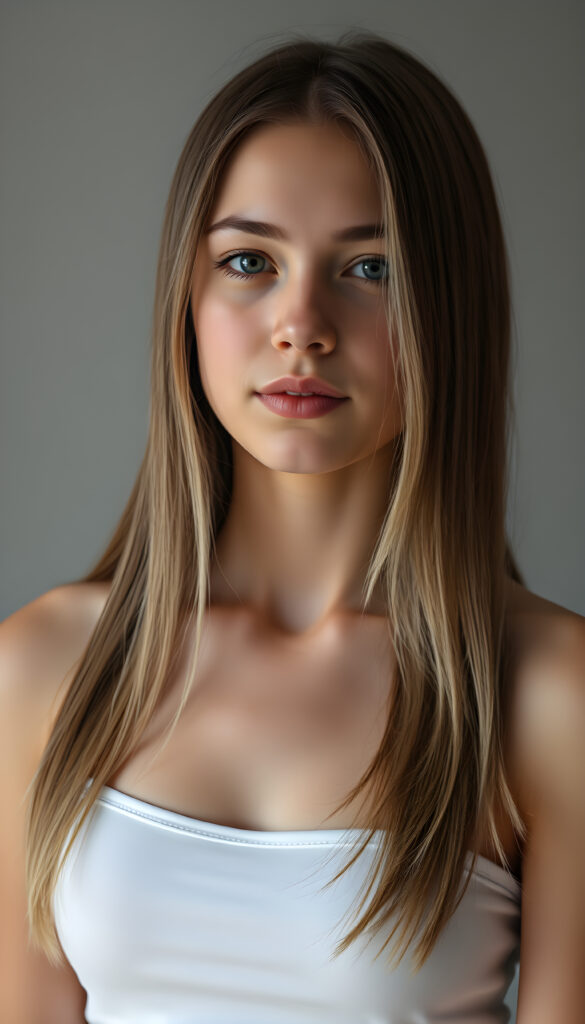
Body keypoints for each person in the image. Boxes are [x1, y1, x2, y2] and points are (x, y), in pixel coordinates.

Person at [1, 30, 583, 1024]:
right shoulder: (44, 668)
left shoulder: (545, 694)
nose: (301, 323)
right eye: (249, 260)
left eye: (370, 268)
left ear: (450, 305)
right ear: (186, 299)